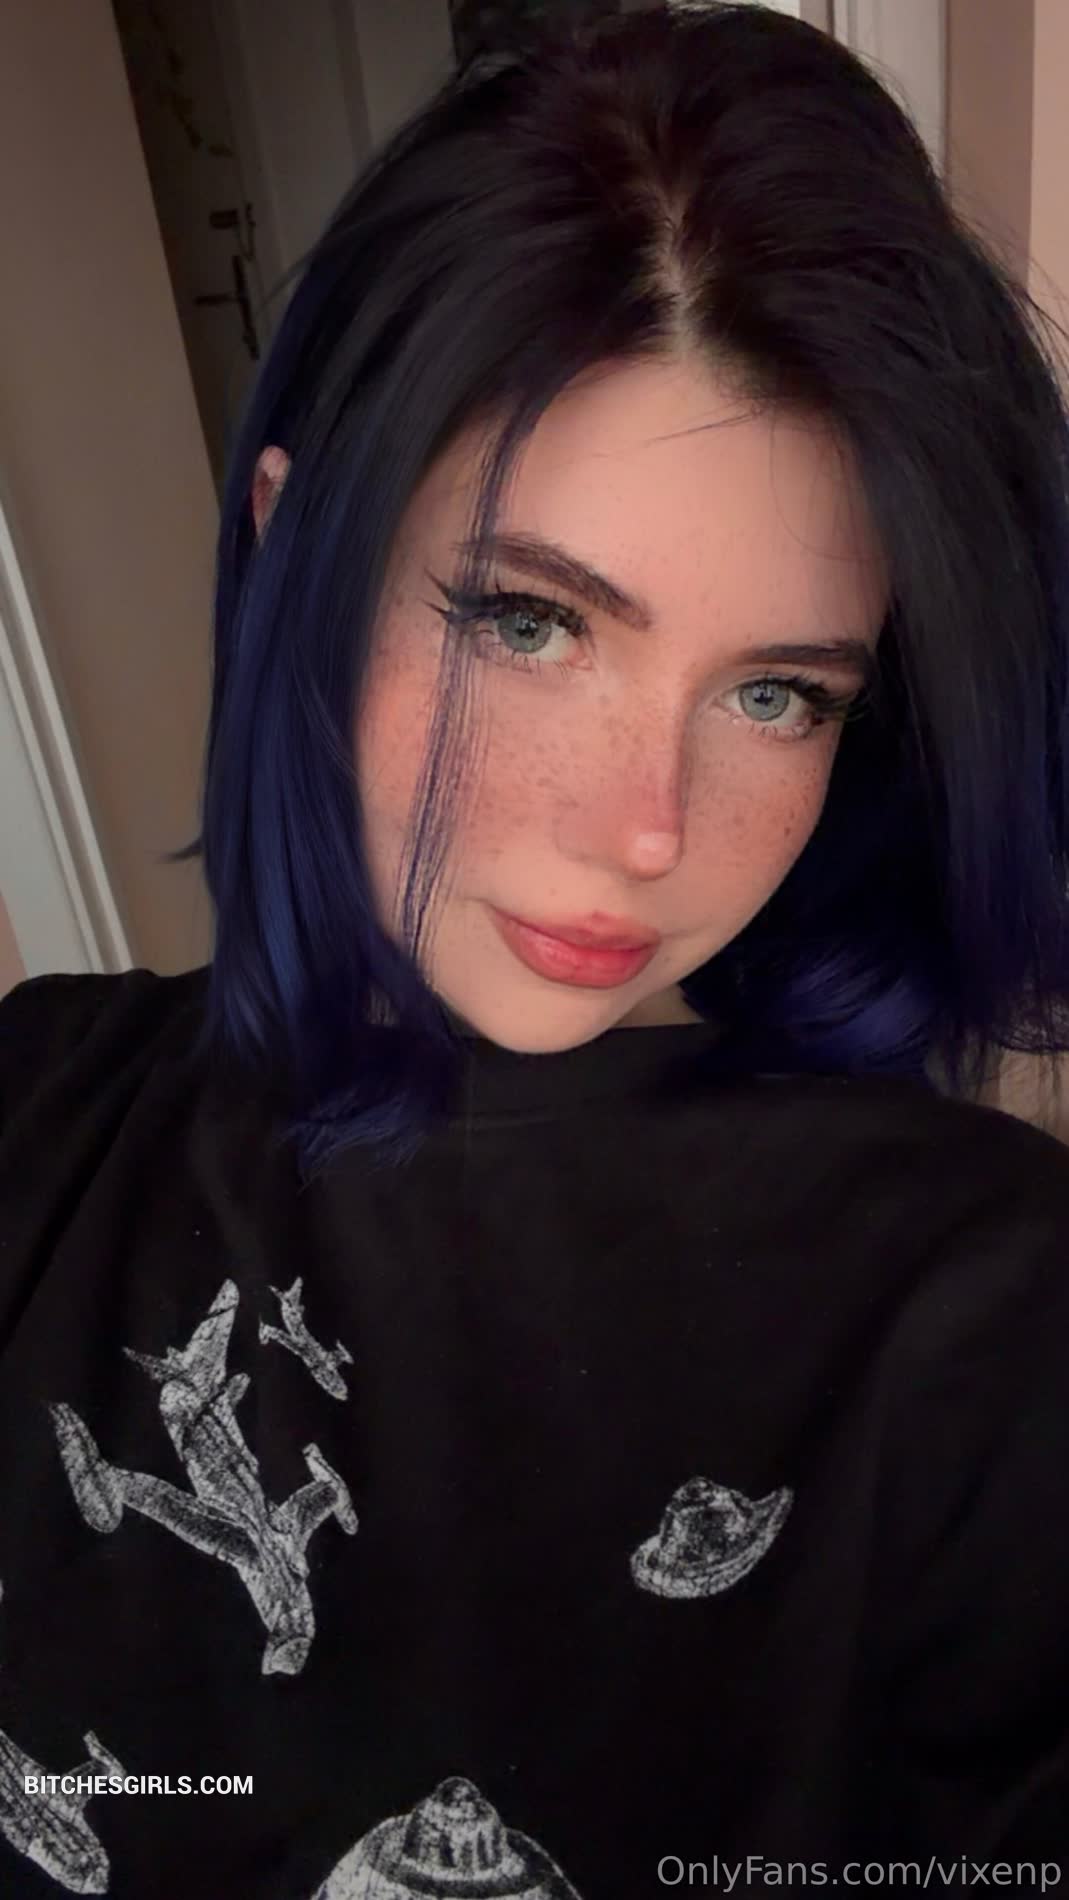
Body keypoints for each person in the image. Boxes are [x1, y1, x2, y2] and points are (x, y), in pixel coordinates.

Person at [3, 4, 1069, 1893]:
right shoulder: (36, 1111)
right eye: (528, 621)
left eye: (774, 692)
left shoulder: (986, 1316)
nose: (644, 829)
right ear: (302, 550)